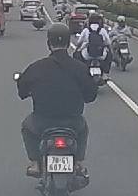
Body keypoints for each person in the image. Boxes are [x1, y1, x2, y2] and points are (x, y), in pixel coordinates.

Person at [17, 22, 98, 177]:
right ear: (68, 43)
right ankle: (78, 163)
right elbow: (91, 95)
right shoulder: (80, 68)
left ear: (49, 43)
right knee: (83, 129)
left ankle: (35, 164)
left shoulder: (36, 67)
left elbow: (22, 92)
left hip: (42, 122)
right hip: (73, 123)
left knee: (26, 127)